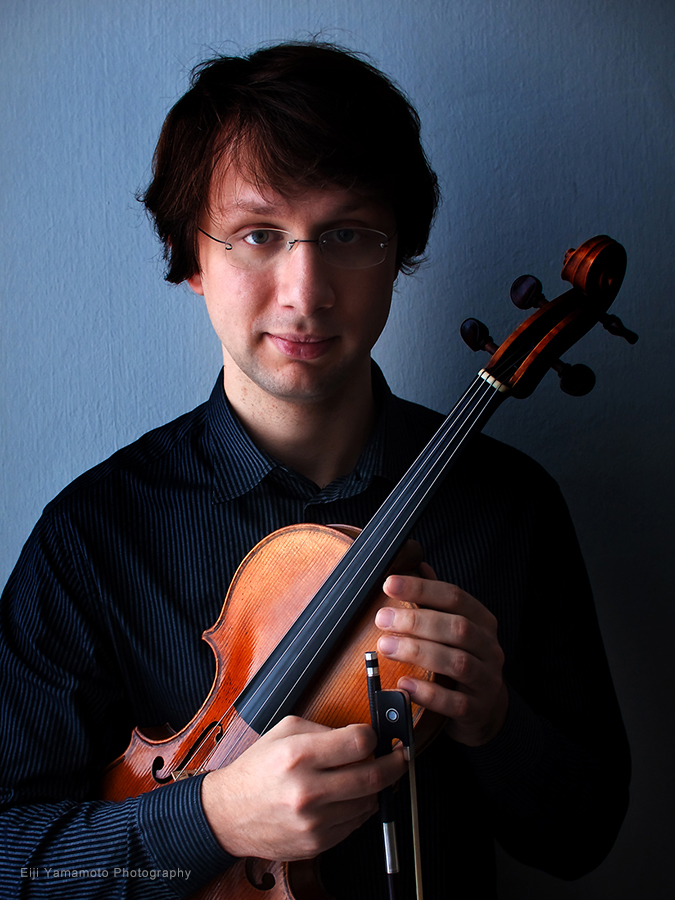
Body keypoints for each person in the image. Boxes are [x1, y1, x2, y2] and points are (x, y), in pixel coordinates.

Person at [0, 42, 630, 899]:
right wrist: (211, 819)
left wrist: (495, 721)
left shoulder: (508, 505)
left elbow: (584, 840)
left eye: (347, 235)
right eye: (258, 235)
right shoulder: (95, 534)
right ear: (190, 256)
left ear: (397, 252)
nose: (305, 291)